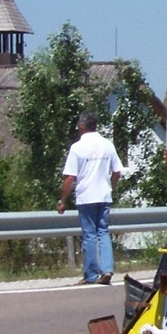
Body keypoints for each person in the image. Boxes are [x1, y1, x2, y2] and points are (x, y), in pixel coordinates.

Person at [57, 111, 123, 285]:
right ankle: (107, 269)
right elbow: (117, 172)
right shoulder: (107, 145)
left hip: (86, 196)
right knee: (103, 232)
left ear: (81, 127)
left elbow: (70, 178)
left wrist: (62, 201)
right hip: (104, 194)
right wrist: (111, 187)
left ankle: (91, 274)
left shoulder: (77, 148)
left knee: (90, 235)